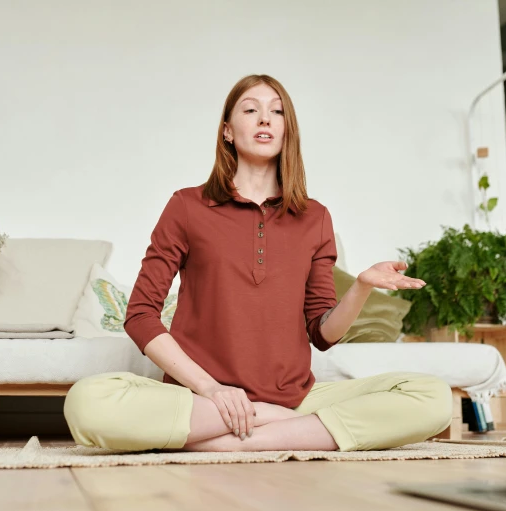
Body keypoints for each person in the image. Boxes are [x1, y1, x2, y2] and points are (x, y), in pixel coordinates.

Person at [64, 74, 452, 452]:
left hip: (295, 401)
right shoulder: (186, 206)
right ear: (228, 131)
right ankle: (286, 428)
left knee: (432, 397)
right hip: (201, 402)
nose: (265, 118)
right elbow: (141, 315)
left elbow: (322, 333)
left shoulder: (315, 218)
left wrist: (362, 286)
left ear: (287, 131)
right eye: (251, 110)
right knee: (87, 402)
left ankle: (238, 439)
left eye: (277, 111)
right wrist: (213, 390)